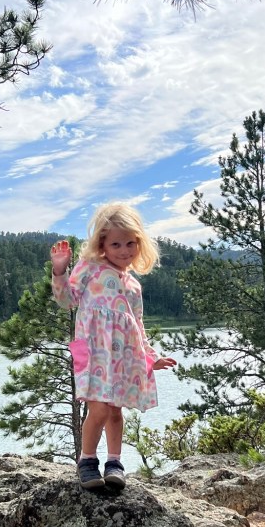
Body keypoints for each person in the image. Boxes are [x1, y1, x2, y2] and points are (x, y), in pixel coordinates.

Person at [51, 202, 177, 490]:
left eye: (130, 243)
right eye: (116, 244)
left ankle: (114, 463)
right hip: (95, 353)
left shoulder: (133, 286)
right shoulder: (90, 268)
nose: (124, 250)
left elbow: (138, 326)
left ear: (139, 243)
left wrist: (151, 358)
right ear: (102, 244)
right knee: (98, 410)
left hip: (121, 358)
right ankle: (87, 461)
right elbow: (66, 300)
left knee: (115, 412)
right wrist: (59, 271)